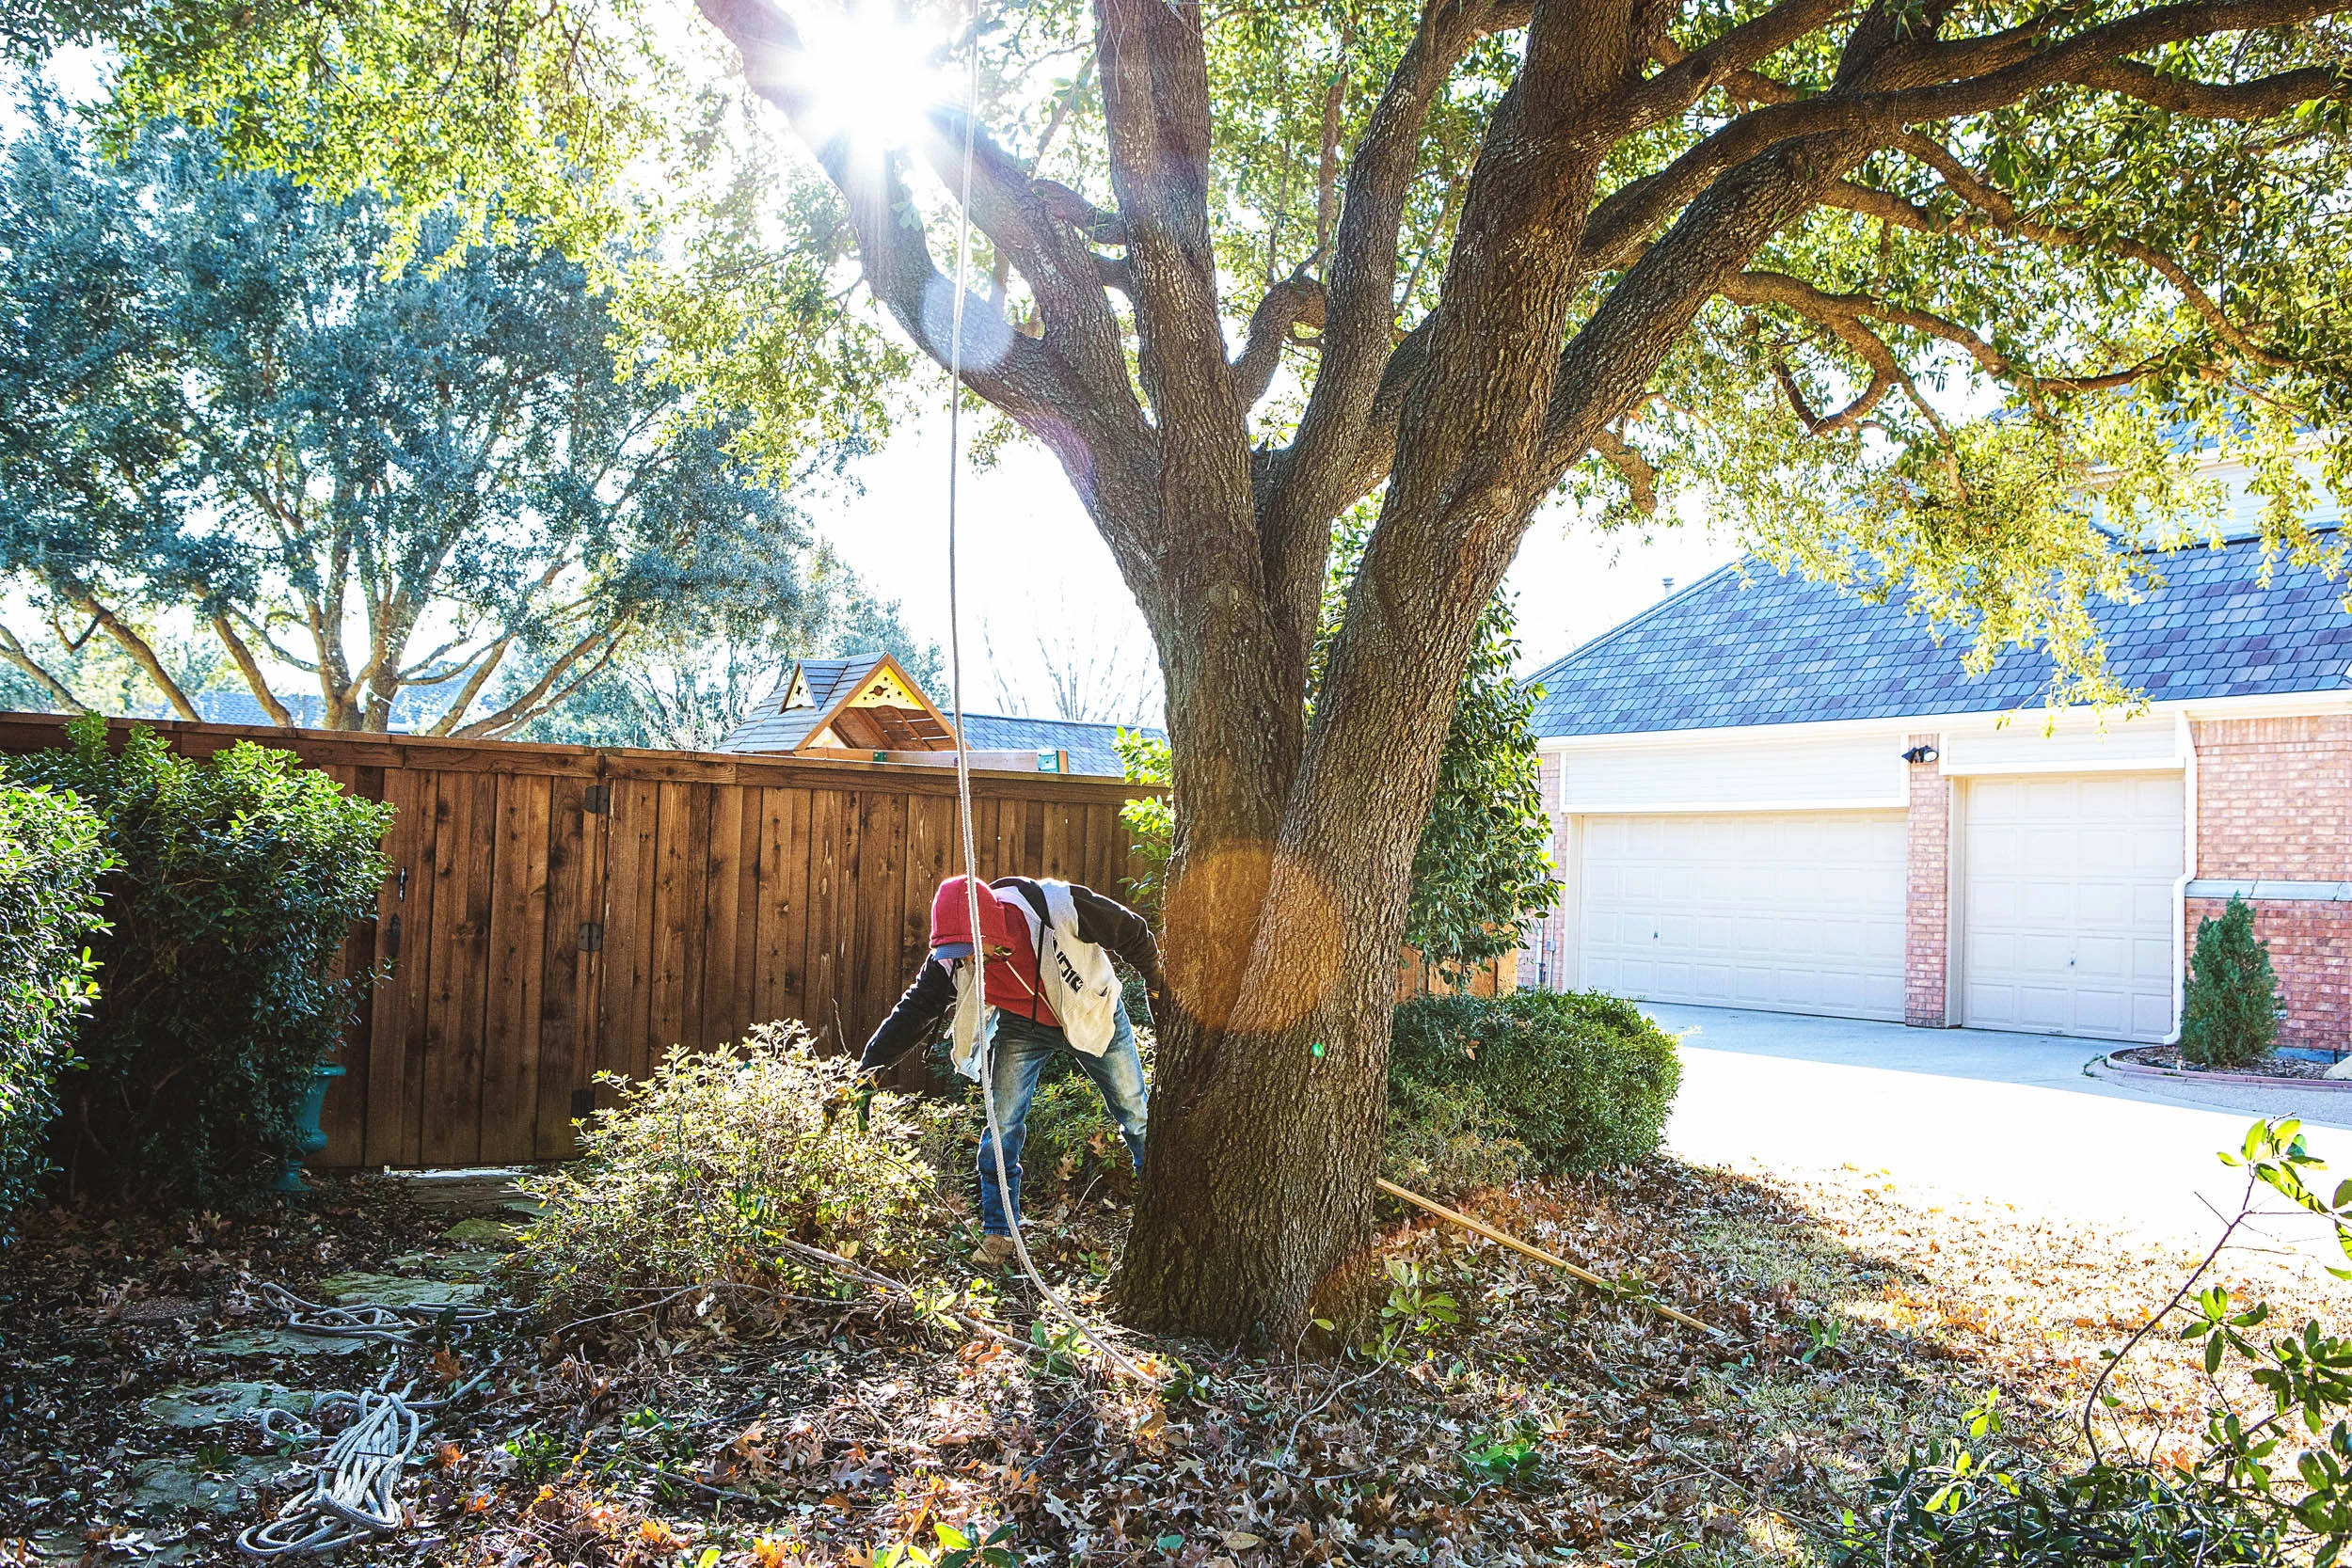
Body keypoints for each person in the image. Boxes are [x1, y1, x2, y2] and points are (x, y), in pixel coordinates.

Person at [859, 873, 1164, 1268]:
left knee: (1135, 1114)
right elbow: (915, 1011)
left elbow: (1131, 931)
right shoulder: (953, 958)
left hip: (1092, 1012)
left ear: (993, 927)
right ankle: (1001, 1234)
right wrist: (867, 1072)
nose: (966, 960)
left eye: (971, 948)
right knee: (1002, 1125)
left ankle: (1158, 1217)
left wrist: (1156, 982)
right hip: (1023, 1025)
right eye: (956, 951)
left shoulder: (1054, 907)